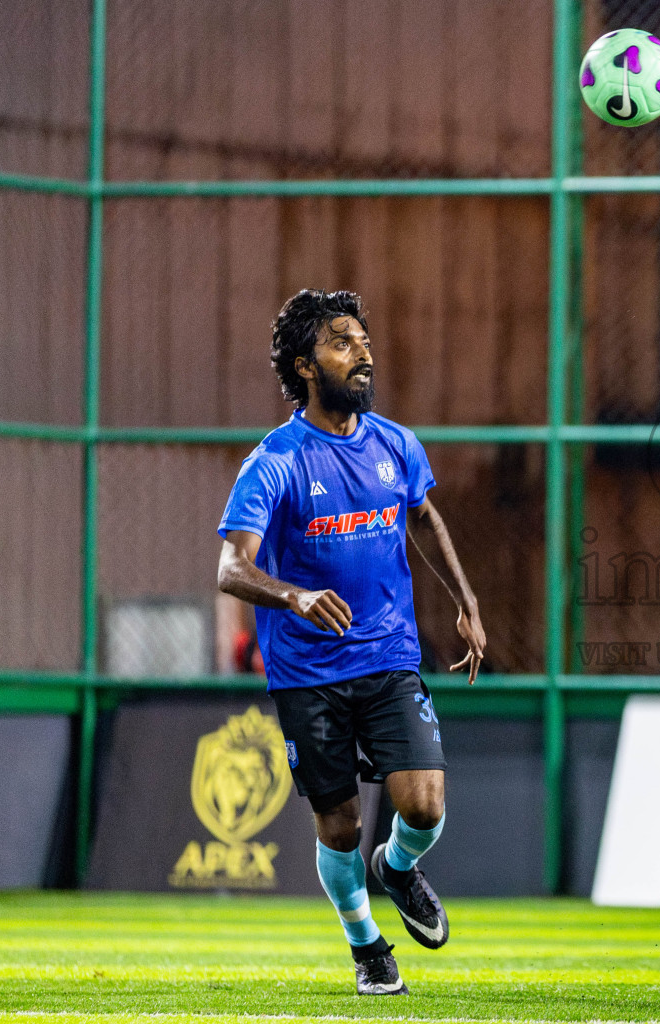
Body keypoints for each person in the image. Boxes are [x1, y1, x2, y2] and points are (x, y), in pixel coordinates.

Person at [217, 290, 486, 996]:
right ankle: (366, 945)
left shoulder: (396, 442)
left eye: (364, 340)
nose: (363, 352)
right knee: (338, 826)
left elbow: (424, 518)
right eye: (342, 342)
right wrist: (295, 595)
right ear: (306, 365)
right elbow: (231, 568)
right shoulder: (273, 461)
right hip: (306, 671)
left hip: (388, 656)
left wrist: (465, 600)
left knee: (424, 804)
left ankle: (396, 869)